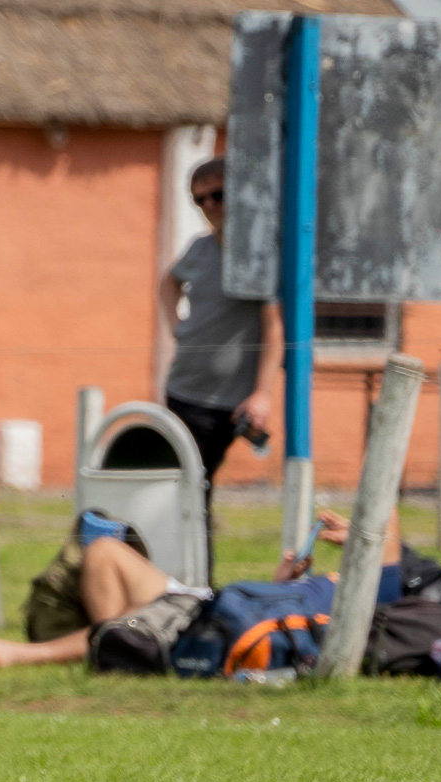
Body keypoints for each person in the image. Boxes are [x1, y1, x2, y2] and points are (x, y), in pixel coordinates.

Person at [0, 509, 400, 668]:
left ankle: (37, 654)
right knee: (103, 550)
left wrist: (371, 540)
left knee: (125, 624)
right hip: (205, 602)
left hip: (201, 620)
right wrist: (281, 582)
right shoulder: (327, 590)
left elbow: (392, 558)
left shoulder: (366, 601)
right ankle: (115, 647)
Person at [161, 156, 283, 582]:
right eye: (200, 200)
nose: (210, 205)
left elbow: (274, 326)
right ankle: (189, 585)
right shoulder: (198, 248)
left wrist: (262, 393)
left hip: (226, 402)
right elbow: (168, 283)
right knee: (184, 492)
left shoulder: (258, 254)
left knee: (193, 491)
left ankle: (196, 587)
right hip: (182, 389)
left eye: (219, 195)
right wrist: (177, 326)